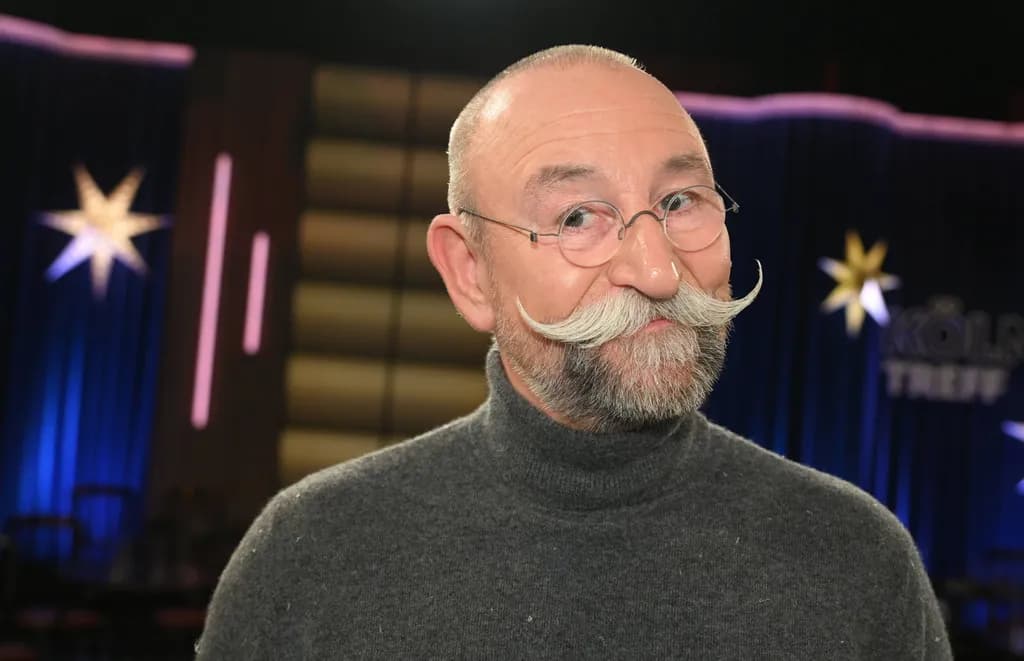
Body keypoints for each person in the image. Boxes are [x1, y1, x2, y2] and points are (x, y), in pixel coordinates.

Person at [196, 45, 952, 659]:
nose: (657, 272)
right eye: (579, 218)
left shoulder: (856, 561)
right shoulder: (311, 556)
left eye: (680, 202)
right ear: (470, 272)